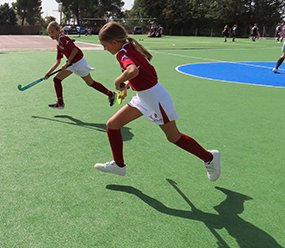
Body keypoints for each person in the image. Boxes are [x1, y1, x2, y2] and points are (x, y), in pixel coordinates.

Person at [94, 22, 221, 181]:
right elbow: (141, 74)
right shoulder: (129, 47)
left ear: (114, 42)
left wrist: (118, 81)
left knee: (174, 137)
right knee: (112, 125)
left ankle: (209, 157)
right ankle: (119, 166)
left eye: (104, 45)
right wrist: (126, 85)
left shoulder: (123, 53)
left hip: (155, 98)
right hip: (143, 97)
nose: (104, 49)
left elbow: (133, 70)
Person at [44, 22, 115, 109]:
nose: (51, 34)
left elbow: (74, 50)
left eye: (52, 31)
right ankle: (60, 103)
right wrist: (48, 73)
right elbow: (58, 61)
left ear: (58, 30)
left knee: (90, 83)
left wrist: (67, 62)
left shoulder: (63, 38)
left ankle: (111, 94)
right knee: (57, 79)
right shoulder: (58, 44)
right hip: (72, 64)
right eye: (49, 32)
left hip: (79, 63)